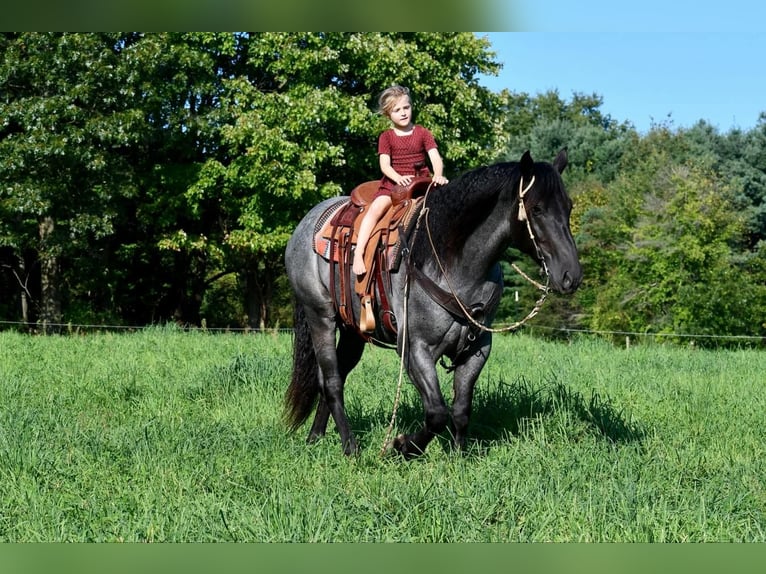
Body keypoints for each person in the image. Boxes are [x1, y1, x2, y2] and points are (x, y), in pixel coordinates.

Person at [352, 85, 448, 276]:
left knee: (447, 205)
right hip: (394, 185)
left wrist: (437, 174)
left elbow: (435, 157)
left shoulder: (422, 132)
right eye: (397, 110)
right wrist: (398, 177)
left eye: (406, 107)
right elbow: (385, 165)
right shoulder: (386, 137)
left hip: (422, 183)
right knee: (375, 209)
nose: (403, 113)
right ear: (388, 115)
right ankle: (359, 251)